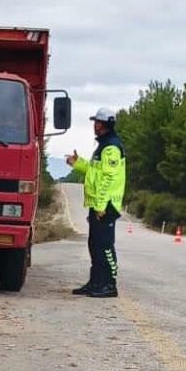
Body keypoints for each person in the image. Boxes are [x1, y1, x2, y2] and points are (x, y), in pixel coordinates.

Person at [66, 108, 127, 297]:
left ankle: (109, 284)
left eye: (96, 122)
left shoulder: (111, 148)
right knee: (95, 245)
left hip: (106, 205)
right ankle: (96, 282)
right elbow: (95, 173)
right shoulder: (103, 146)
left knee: (105, 245)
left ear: (102, 125)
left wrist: (101, 205)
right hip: (98, 205)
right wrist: (77, 163)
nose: (94, 125)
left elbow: (109, 179)